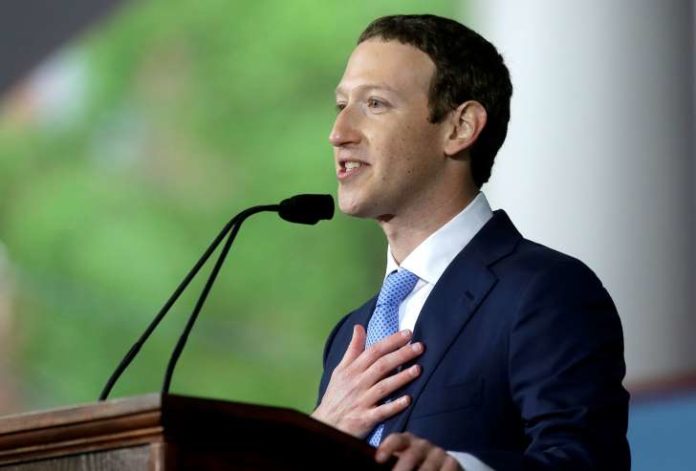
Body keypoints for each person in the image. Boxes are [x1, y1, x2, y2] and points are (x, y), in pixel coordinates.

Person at [311, 14, 630, 471]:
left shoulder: (545, 292)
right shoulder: (350, 334)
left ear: (460, 128)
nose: (339, 133)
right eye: (341, 105)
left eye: (375, 104)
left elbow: (587, 461)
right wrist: (316, 433)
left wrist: (461, 469)